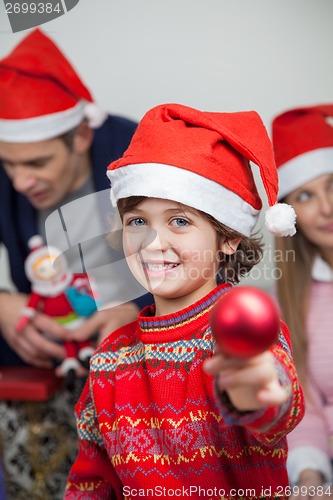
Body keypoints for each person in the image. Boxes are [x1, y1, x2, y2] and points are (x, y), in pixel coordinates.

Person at [65, 103, 304, 499]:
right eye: (138, 221)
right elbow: (92, 481)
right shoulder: (110, 358)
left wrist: (257, 392)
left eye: (180, 221)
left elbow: (278, 409)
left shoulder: (242, 334)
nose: (154, 243)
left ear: (228, 237)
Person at [0, 28, 151, 499]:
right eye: (8, 164)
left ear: (82, 134)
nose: (21, 181)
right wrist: (2, 305)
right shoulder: (11, 169)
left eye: (38, 164)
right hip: (43, 358)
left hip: (138, 357)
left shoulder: (142, 157)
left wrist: (139, 312)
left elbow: (210, 263)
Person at [272, 104, 333, 500]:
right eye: (307, 196)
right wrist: (310, 476)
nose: (326, 208)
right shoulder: (293, 302)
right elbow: (305, 404)